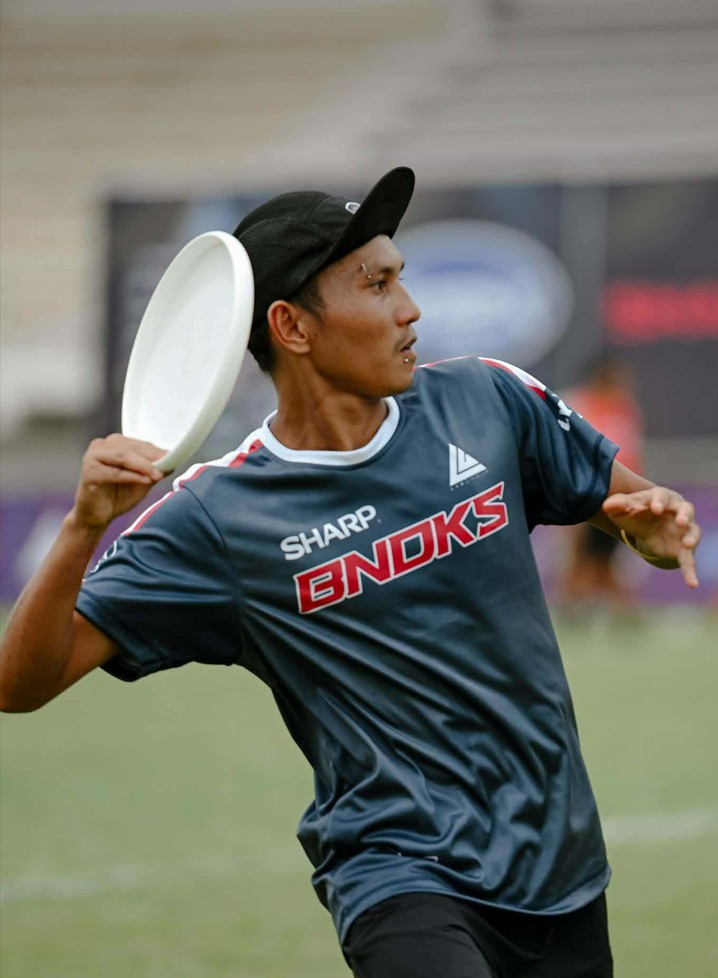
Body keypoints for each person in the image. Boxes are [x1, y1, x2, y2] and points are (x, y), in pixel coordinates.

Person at [0, 167, 702, 978]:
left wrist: (656, 532)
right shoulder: (217, 516)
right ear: (292, 326)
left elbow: (640, 515)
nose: (410, 309)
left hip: (561, 864)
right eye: (376, 284)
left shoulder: (489, 400)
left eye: (402, 278)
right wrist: (83, 527)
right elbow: (21, 684)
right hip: (398, 874)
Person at [558, 352, 646, 616]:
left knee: (606, 558)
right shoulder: (574, 405)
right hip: (581, 492)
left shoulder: (624, 408)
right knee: (581, 555)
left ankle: (612, 610)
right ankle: (575, 606)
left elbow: (632, 456)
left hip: (617, 496)